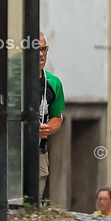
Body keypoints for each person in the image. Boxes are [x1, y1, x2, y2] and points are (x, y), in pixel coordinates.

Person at [38, 32, 65, 202]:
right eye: (36, 49)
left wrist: (47, 128)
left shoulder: (53, 82)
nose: (41, 54)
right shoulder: (15, 78)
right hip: (14, 150)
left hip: (39, 151)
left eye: (44, 49)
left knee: (35, 202)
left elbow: (58, 117)